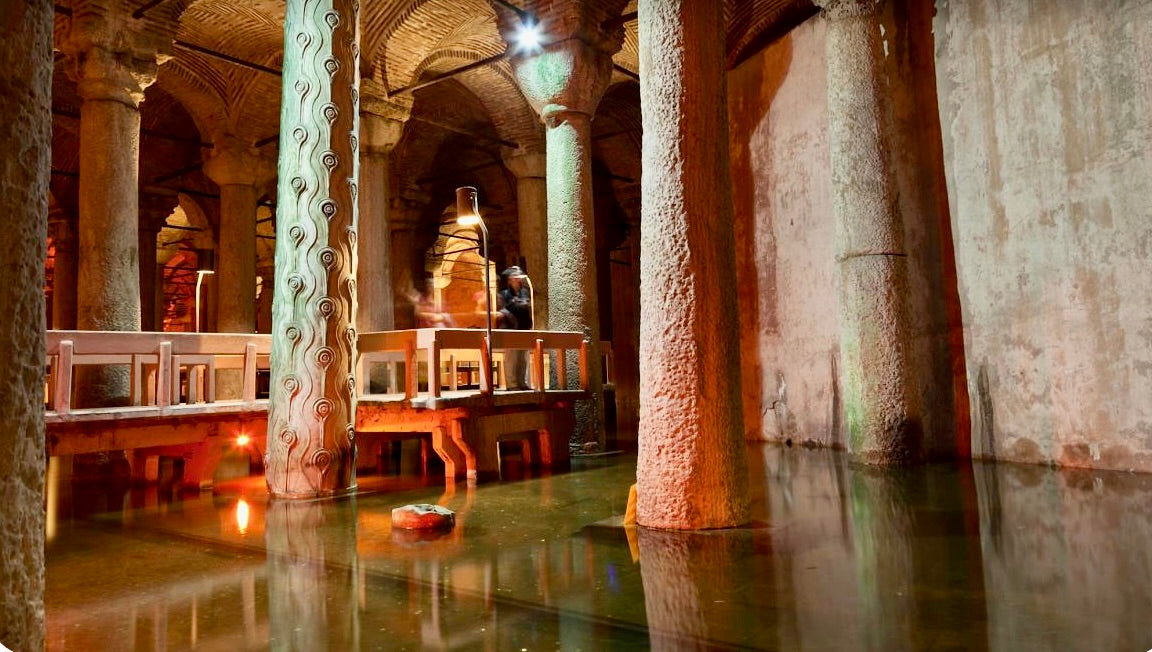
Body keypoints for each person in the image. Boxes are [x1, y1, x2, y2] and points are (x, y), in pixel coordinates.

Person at [497, 266, 532, 390]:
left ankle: (523, 383)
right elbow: (503, 310)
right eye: (515, 277)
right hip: (511, 329)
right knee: (512, 357)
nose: (518, 280)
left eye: (519, 277)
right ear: (510, 279)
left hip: (524, 328)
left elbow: (527, 308)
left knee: (523, 358)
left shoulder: (526, 292)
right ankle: (512, 385)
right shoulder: (504, 294)